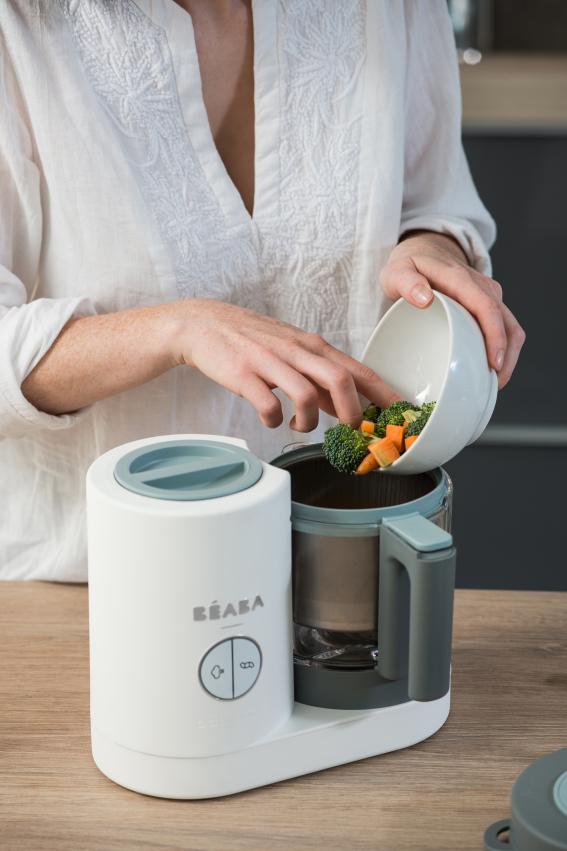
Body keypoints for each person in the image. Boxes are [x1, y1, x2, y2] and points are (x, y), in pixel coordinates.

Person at [0, 0, 524, 581]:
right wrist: (176, 329)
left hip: (348, 569)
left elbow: (435, 201)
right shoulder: (18, 25)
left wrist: (432, 248)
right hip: (87, 578)